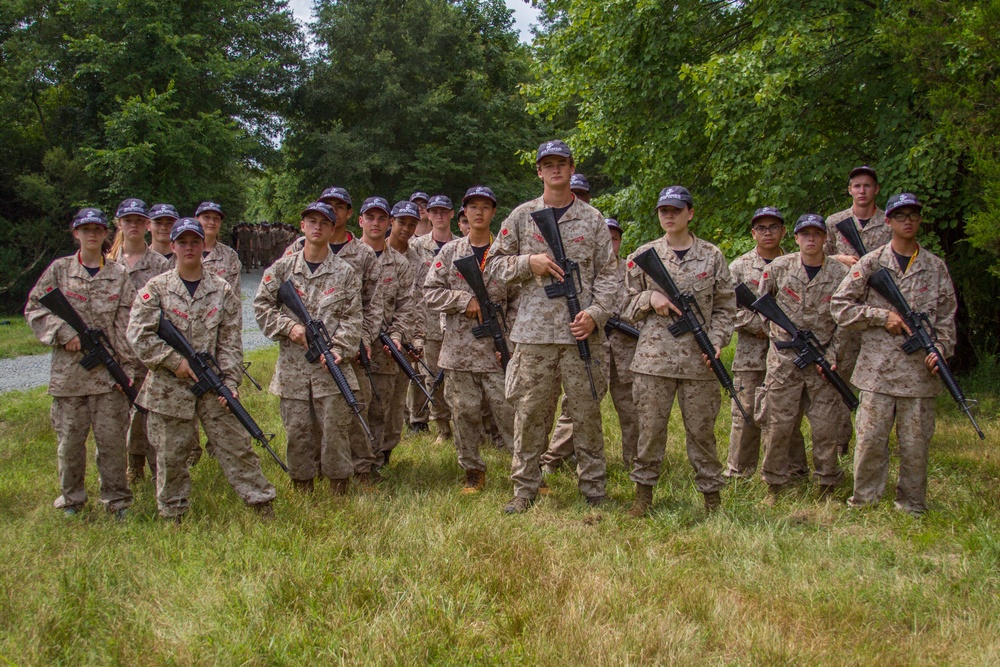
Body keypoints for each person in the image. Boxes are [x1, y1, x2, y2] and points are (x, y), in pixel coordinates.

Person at [486, 139, 618, 513]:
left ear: (571, 168)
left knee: (586, 412)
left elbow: (611, 276)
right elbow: (493, 266)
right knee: (529, 413)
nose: (555, 169)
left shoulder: (592, 219)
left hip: (581, 334)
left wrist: (595, 314)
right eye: (548, 164)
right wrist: (530, 263)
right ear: (540, 171)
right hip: (534, 335)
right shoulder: (521, 216)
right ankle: (524, 488)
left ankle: (593, 487)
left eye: (562, 163)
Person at [128, 217, 276, 521]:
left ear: (202, 245)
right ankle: (173, 513)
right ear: (173, 247)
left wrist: (231, 382)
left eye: (195, 241)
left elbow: (231, 342)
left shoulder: (221, 290)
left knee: (237, 446)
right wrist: (175, 361)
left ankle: (261, 503)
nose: (189, 247)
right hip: (168, 388)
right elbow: (138, 336)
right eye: (182, 242)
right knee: (170, 455)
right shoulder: (155, 289)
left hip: (213, 385)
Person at [831, 193, 957, 516]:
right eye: (900, 215)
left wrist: (941, 350)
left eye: (913, 215)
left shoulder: (935, 267)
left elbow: (946, 318)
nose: (908, 221)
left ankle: (911, 504)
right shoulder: (871, 263)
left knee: (915, 446)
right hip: (877, 371)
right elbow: (840, 306)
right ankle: (864, 501)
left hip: (919, 375)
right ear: (887, 221)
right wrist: (880, 316)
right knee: (870, 441)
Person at [623, 186, 735, 517]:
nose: (669, 216)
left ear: (690, 213)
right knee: (650, 432)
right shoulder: (644, 255)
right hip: (653, 361)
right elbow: (622, 302)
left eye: (675, 210)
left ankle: (712, 500)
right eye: (663, 211)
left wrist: (716, 340)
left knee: (702, 433)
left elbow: (727, 307)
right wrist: (649, 299)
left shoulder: (712, 256)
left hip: (698, 362)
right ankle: (643, 497)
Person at [25, 207, 136, 519]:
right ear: (76, 233)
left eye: (97, 229)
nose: (91, 234)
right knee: (70, 444)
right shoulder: (60, 270)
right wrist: (63, 332)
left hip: (108, 376)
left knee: (112, 445)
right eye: (85, 229)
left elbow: (126, 324)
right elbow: (34, 308)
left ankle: (117, 502)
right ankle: (72, 500)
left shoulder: (118, 274)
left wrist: (125, 370)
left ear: (105, 235)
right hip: (69, 376)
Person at [254, 202, 363, 495]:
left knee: (336, 434)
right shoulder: (281, 269)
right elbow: (261, 307)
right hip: (294, 372)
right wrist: (290, 327)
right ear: (302, 226)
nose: (317, 227)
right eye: (311, 221)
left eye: (323, 222)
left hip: (332, 369)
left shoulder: (346, 273)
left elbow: (354, 318)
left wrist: (340, 348)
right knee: (298, 434)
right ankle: (303, 488)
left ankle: (338, 489)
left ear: (331, 229)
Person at [425, 186, 516, 493]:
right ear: (463, 213)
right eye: (473, 207)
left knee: (510, 412)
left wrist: (512, 344)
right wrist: (464, 301)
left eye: (486, 207)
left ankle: (527, 471)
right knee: (464, 413)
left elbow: (517, 301)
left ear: (493, 213)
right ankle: (473, 472)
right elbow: (429, 293)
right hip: (459, 352)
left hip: (498, 350)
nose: (479, 212)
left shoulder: (504, 254)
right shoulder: (450, 253)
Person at [757, 214, 850, 504]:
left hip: (822, 361)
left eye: (816, 234)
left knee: (825, 426)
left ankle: (826, 484)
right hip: (784, 362)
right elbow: (762, 305)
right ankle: (774, 485)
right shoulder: (779, 268)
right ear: (795, 238)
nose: (811, 239)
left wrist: (832, 355)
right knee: (777, 425)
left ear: (825, 238)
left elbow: (845, 321)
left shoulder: (839, 274)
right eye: (804, 234)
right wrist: (779, 340)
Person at [725, 207, 808, 479]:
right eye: (761, 228)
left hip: (787, 356)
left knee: (787, 415)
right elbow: (725, 308)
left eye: (774, 227)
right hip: (751, 353)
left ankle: (793, 470)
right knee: (745, 413)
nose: (768, 232)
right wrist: (760, 326)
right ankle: (739, 471)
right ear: (753, 233)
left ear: (784, 231)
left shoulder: (798, 264)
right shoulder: (738, 267)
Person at [108, 198, 170, 483]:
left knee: (151, 411)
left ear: (147, 225)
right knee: (117, 416)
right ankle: (128, 470)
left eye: (138, 220)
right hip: (116, 352)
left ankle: (158, 469)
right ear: (119, 224)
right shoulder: (106, 263)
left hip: (151, 350)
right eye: (127, 220)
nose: (133, 225)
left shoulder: (160, 264)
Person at [354, 196, 416, 476]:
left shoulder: (400, 265)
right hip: (351, 346)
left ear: (388, 222)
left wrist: (397, 335)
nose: (376, 224)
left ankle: (373, 463)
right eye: (371, 218)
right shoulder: (347, 256)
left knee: (380, 408)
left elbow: (406, 307)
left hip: (385, 349)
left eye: (381, 218)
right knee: (351, 404)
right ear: (361, 221)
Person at [409, 194, 456, 443]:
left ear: (451, 214)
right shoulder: (417, 247)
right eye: (433, 211)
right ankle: (442, 428)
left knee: (459, 376)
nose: (438, 215)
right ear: (427, 214)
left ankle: (464, 424)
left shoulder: (462, 245)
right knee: (432, 377)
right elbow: (411, 286)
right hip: (427, 322)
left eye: (443, 211)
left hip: (457, 321)